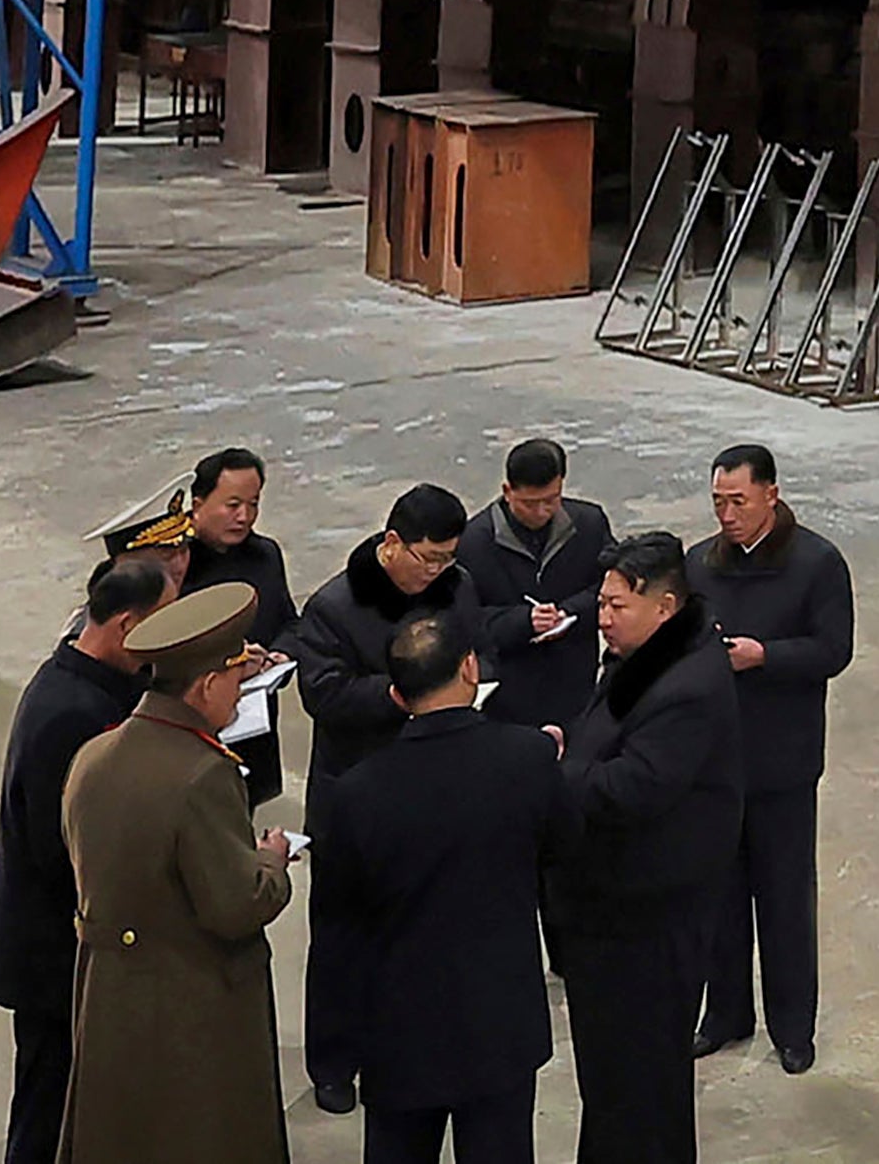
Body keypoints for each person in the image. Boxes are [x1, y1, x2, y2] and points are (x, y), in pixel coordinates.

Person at [284, 487, 527, 1112]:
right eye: (429, 558)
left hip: (444, 778)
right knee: (344, 934)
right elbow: (324, 694)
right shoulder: (336, 607)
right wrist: (402, 695)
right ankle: (335, 1062)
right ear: (391, 544)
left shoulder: (456, 586)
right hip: (359, 785)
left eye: (448, 559)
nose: (438, 571)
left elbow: (483, 650)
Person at [307, 611, 567, 1164]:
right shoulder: (528, 758)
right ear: (470, 668)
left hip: (398, 1034)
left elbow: (336, 930)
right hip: (500, 1023)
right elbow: (563, 851)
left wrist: (337, 1051)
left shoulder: (356, 795)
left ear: (398, 694)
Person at [60, 580, 299, 1164]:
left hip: (110, 997)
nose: (240, 697)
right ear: (209, 683)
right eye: (237, 683)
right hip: (190, 1004)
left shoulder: (95, 753)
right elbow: (235, 905)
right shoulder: (202, 774)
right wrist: (272, 860)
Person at [549, 535, 739, 1164]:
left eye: (615, 606)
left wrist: (552, 773)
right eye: (601, 602)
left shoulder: (686, 685)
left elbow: (634, 788)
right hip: (612, 907)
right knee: (615, 1084)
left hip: (645, 919)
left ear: (663, 607)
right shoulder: (644, 656)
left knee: (638, 1081)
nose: (601, 617)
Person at [0, 550, 172, 1164]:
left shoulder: (88, 683)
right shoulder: (72, 715)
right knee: (49, 1108)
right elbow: (62, 846)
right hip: (56, 957)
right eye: (158, 628)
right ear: (125, 625)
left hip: (71, 946)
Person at [683, 443, 851, 1077]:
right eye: (719, 503)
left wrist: (766, 657)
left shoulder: (817, 563)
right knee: (719, 897)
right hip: (716, 760)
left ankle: (792, 1027)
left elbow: (834, 649)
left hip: (782, 759)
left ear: (771, 496)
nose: (727, 515)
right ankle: (725, 1014)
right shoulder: (701, 564)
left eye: (739, 503)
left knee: (783, 899)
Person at [157, 453, 296, 807]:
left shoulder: (265, 554)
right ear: (198, 504)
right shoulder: (173, 566)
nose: (244, 517)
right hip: (195, 730)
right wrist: (232, 662)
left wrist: (280, 655)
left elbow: (289, 622)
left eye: (253, 504)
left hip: (254, 722)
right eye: (232, 505)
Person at [464, 441, 611, 736]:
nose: (542, 511)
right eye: (530, 503)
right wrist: (522, 622)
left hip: (575, 686)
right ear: (507, 492)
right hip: (507, 697)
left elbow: (614, 588)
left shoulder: (590, 524)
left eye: (552, 499)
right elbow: (462, 621)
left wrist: (570, 613)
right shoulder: (472, 542)